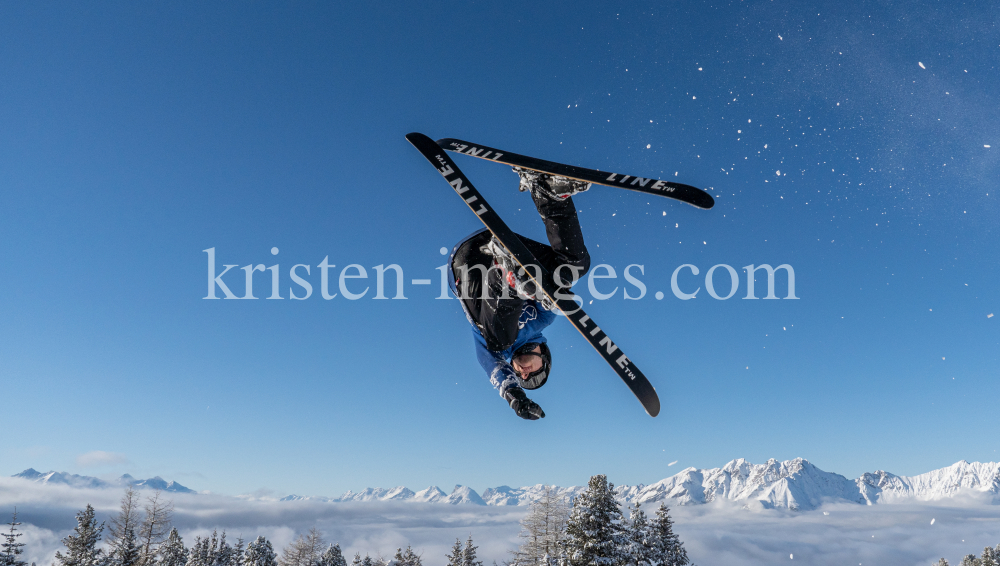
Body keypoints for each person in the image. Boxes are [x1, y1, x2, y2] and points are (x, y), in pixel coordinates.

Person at [448, 168, 591, 420]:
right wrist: (560, 299)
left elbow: (494, 370)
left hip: (467, 266)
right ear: (543, 359)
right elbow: (555, 303)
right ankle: (548, 192)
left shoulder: (497, 352)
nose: (524, 374)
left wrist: (516, 397)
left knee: (498, 339)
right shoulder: (543, 320)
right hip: (497, 244)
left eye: (522, 378)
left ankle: (507, 276)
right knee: (572, 269)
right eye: (534, 375)